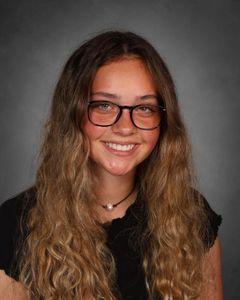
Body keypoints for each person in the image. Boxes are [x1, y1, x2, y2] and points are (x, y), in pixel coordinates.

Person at [0, 30, 223, 299]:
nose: (125, 127)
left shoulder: (193, 217)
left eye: (144, 108)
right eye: (104, 105)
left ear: (163, 123)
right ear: (73, 114)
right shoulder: (14, 225)